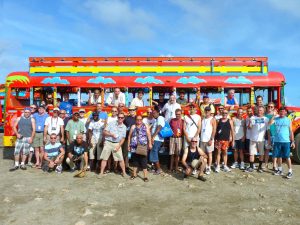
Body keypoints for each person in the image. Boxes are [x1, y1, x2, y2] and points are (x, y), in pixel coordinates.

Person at [99, 113, 127, 177]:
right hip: (108, 142)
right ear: (117, 117)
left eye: (122, 117)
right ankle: (101, 173)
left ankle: (124, 172)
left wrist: (119, 146)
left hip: (117, 143)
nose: (120, 118)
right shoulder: (111, 123)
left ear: (123, 118)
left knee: (121, 159)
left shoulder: (124, 127)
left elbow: (123, 138)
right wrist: (111, 134)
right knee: (104, 158)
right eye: (119, 117)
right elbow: (104, 132)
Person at [270, 107, 295, 179]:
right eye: (280, 111)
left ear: (286, 113)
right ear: (279, 112)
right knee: (278, 156)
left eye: (283, 111)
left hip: (286, 141)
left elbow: (291, 131)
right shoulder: (276, 119)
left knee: (287, 157)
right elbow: (270, 123)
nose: (282, 113)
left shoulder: (288, 120)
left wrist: (292, 141)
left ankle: (290, 171)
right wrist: (274, 116)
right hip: (277, 141)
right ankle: (280, 169)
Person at [128, 115, 152, 181]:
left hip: (142, 146)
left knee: (144, 161)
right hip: (134, 146)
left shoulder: (145, 126)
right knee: (135, 161)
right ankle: (134, 174)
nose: (139, 121)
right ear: (135, 120)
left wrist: (150, 143)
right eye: (137, 119)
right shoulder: (133, 126)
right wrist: (128, 146)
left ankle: (145, 176)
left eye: (140, 119)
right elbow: (129, 136)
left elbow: (149, 135)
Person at [245, 106, 270, 173]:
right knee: (251, 154)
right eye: (258, 110)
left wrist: (269, 139)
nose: (259, 111)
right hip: (253, 139)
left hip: (261, 139)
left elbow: (268, 129)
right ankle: (251, 167)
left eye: (261, 110)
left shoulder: (266, 119)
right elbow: (249, 127)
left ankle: (260, 167)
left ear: (263, 111)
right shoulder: (253, 118)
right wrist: (250, 123)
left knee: (261, 154)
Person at [200, 106, 216, 175]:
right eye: (206, 110)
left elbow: (214, 130)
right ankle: (204, 166)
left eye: (208, 110)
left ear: (210, 111)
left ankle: (209, 167)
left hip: (209, 140)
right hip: (202, 139)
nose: (207, 111)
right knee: (202, 154)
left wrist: (211, 139)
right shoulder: (202, 118)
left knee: (209, 154)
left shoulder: (212, 119)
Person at [150, 107, 165, 175]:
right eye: (152, 113)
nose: (153, 114)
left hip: (157, 139)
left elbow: (160, 127)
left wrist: (153, 136)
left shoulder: (160, 118)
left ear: (158, 112)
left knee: (154, 153)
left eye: (154, 113)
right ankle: (156, 168)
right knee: (154, 153)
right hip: (156, 139)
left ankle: (159, 169)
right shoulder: (156, 119)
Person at [123, 106, 137, 173]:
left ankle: (135, 167)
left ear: (135, 110)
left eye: (133, 110)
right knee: (126, 153)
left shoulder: (138, 118)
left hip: (136, 138)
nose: (132, 111)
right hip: (127, 137)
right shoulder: (126, 119)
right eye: (130, 110)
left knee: (135, 153)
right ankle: (126, 166)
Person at [265, 102, 277, 170]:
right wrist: (273, 116)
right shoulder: (265, 116)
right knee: (267, 150)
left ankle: (274, 165)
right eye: (269, 106)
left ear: (273, 108)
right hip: (267, 135)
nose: (270, 108)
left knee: (274, 151)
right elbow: (269, 124)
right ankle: (266, 164)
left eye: (271, 107)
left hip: (275, 135)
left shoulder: (277, 116)